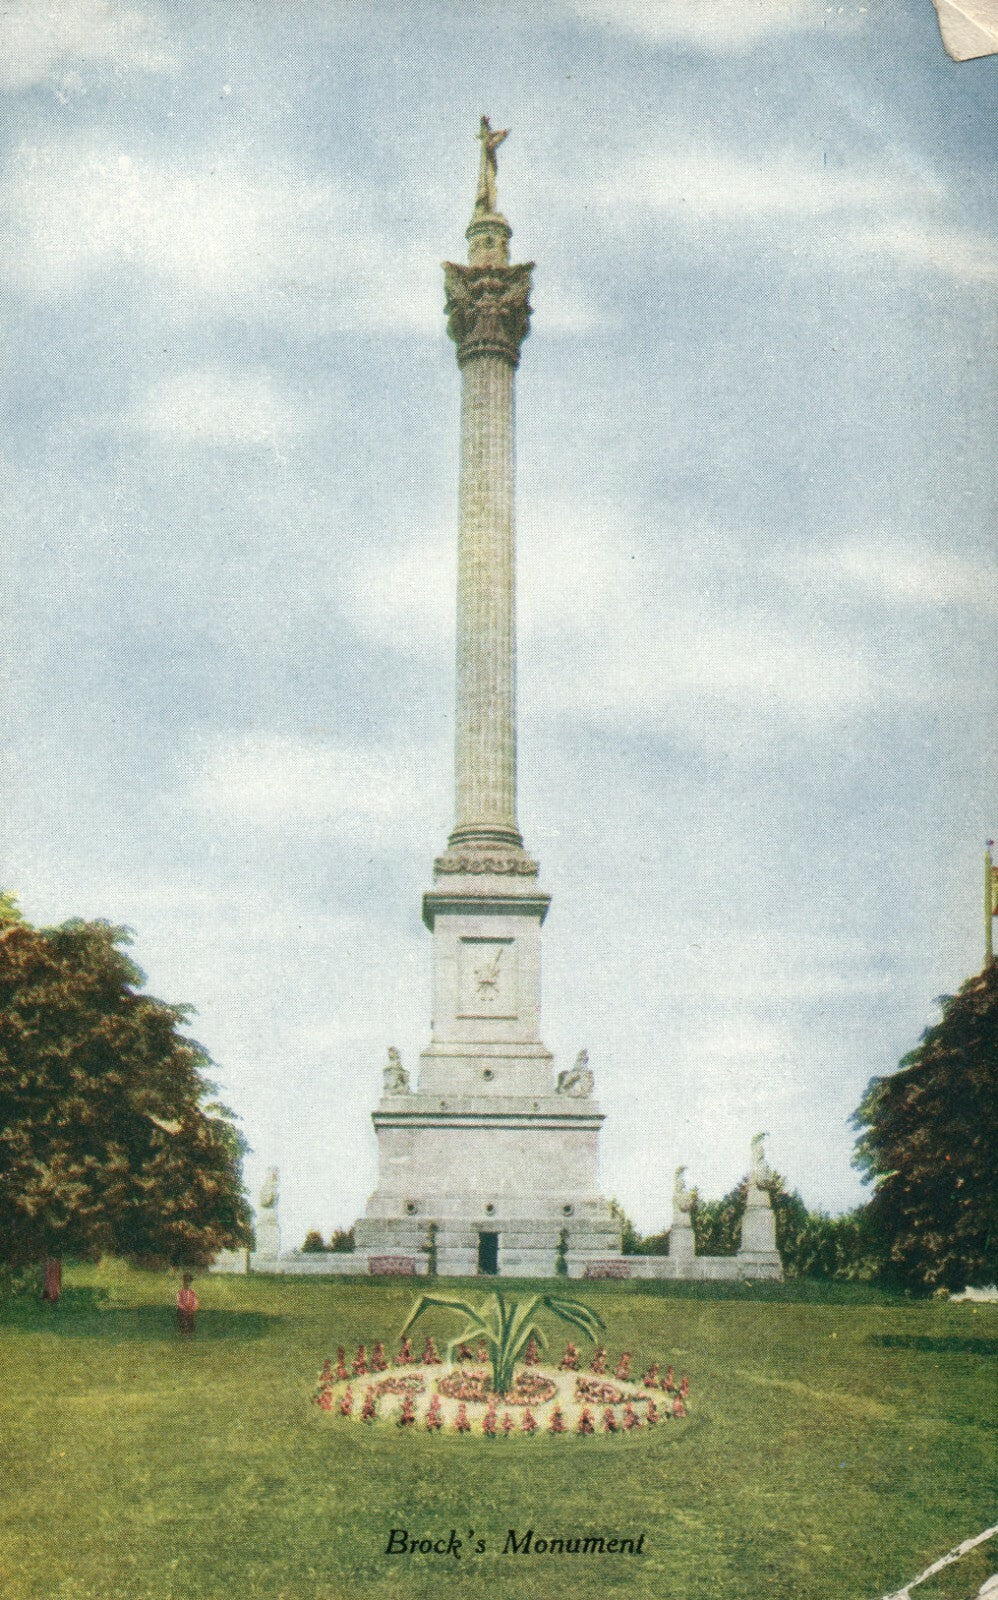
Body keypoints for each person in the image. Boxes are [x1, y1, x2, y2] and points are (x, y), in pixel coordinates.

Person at [176, 1273, 199, 1337]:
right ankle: (183, 1332)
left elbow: (195, 1300)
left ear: (190, 1283)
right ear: (183, 1282)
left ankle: (190, 1332)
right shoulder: (180, 1292)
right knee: (182, 1318)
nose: (187, 1284)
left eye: (188, 1282)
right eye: (185, 1282)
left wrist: (193, 1307)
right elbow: (179, 1301)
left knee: (191, 1319)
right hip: (183, 1309)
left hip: (191, 1309)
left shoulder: (192, 1292)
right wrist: (183, 1307)